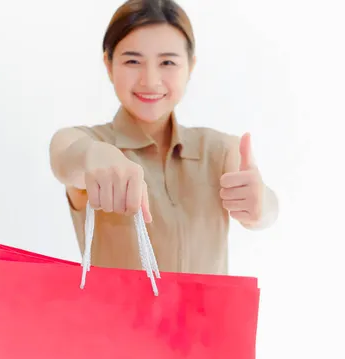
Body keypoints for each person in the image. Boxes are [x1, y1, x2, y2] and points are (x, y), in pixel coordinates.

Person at [49, 0, 279, 275]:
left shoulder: (220, 151)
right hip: (115, 318)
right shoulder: (92, 142)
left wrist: (260, 205)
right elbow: (65, 155)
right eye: (133, 61)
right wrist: (93, 157)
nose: (150, 80)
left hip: (207, 318)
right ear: (108, 65)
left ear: (190, 67)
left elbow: (269, 211)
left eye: (167, 62)